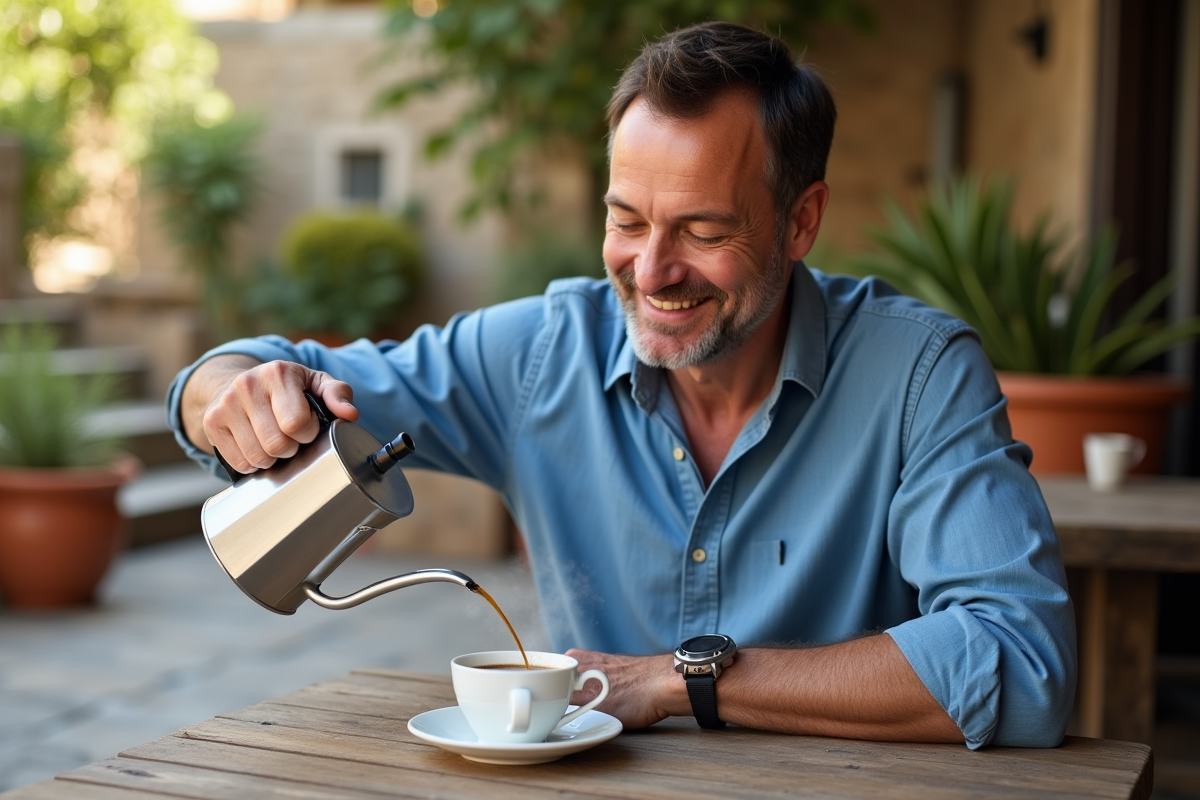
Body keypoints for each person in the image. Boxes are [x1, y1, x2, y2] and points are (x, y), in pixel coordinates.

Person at [169, 21, 1075, 749]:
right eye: (626, 218)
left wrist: (680, 680)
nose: (651, 270)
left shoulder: (920, 375)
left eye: (703, 230)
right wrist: (235, 392)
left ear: (801, 221)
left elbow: (1020, 663)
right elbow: (235, 374)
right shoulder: (536, 355)